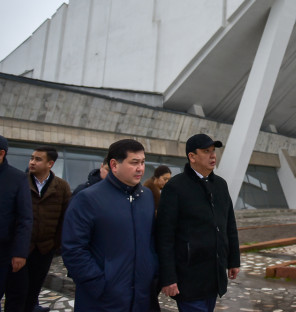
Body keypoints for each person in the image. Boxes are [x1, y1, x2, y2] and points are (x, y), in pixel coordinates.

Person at [62, 139, 158, 312]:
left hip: (141, 298)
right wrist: (97, 284)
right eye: (134, 162)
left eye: (143, 162)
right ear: (114, 165)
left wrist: (152, 272)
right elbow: (73, 248)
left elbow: (151, 240)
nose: (140, 168)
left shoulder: (147, 197)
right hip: (102, 300)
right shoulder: (88, 199)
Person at [156, 134, 240, 312]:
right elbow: (164, 236)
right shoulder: (175, 187)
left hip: (214, 275)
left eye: (213, 151)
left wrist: (233, 260)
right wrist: (168, 277)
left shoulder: (220, 185)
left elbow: (229, 225)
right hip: (189, 276)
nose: (213, 155)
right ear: (192, 156)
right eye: (206, 151)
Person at [5, 146, 71, 312]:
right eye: (32, 158)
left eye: (38, 159)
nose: (32, 162)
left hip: (45, 249)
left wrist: (56, 244)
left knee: (33, 291)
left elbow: (65, 218)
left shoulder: (62, 187)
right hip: (20, 248)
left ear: (50, 164)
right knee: (16, 293)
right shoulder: (20, 181)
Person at [0, 136, 33, 312]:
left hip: (3, 250)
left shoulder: (17, 178)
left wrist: (20, 252)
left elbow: (25, 218)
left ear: (1, 154)